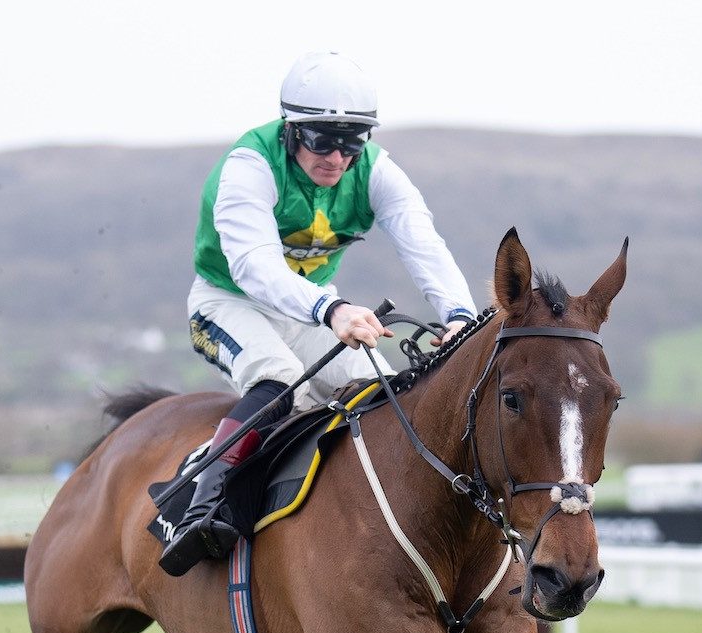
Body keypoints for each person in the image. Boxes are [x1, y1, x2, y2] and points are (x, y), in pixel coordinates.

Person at [160, 51, 480, 576]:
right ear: (290, 131)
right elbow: (254, 266)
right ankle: (204, 501)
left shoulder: (377, 172)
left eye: (352, 142)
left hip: (310, 308)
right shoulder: (251, 166)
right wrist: (330, 307)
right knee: (280, 382)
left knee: (380, 389)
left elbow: (424, 247)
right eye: (321, 140)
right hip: (229, 300)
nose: (336, 157)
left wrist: (461, 318)